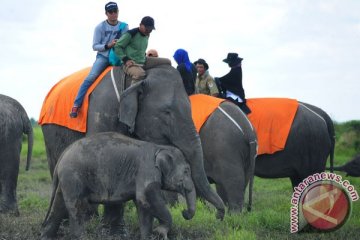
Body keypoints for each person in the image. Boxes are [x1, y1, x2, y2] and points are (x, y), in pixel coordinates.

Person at [69, 2, 128, 118]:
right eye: (110, 12)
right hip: (104, 56)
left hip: (119, 56)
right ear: (106, 14)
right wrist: (108, 46)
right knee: (91, 77)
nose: (113, 14)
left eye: (115, 11)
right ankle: (76, 104)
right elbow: (95, 46)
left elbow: (127, 42)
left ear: (118, 11)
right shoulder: (100, 27)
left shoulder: (124, 26)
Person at [114, 16, 155, 85]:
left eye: (150, 29)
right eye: (147, 29)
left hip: (143, 61)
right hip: (130, 63)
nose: (149, 31)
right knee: (140, 74)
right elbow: (117, 46)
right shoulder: (130, 34)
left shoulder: (147, 35)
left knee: (166, 62)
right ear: (140, 25)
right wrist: (126, 60)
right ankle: (131, 94)